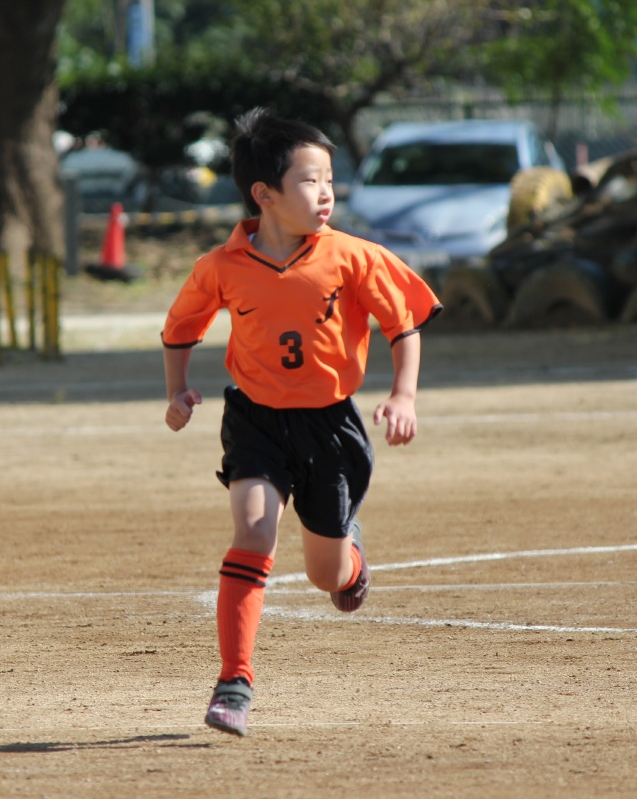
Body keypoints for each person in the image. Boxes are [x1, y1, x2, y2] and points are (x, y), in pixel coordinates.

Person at [161, 108, 442, 737]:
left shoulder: (353, 257)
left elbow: (403, 326)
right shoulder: (222, 266)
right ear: (264, 194)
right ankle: (234, 682)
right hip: (255, 419)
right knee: (253, 531)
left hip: (330, 427)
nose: (326, 194)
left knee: (325, 575)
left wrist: (404, 395)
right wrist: (177, 391)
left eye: (330, 181)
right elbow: (180, 329)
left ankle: (352, 561)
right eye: (310, 181)